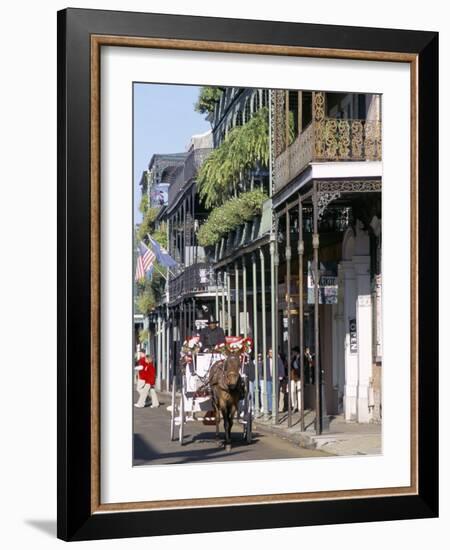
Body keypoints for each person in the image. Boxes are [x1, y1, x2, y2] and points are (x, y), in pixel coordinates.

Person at [290, 346, 302, 412]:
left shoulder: (301, 357)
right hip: (293, 376)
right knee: (292, 391)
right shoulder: (293, 358)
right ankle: (294, 405)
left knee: (299, 392)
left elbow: (303, 367)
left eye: (293, 351)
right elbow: (291, 366)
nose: (293, 353)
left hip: (299, 376)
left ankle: (300, 407)